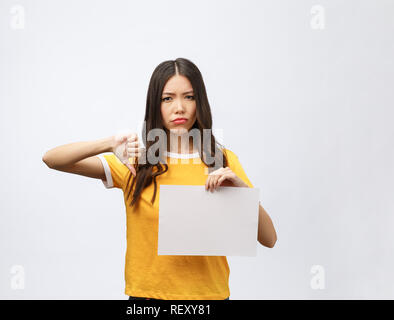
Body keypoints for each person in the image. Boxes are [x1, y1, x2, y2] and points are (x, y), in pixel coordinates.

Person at [42, 57, 277, 300]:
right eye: (168, 98)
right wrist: (109, 143)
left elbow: (269, 239)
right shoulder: (134, 162)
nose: (179, 108)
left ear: (200, 102)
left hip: (209, 299)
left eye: (189, 96)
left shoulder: (222, 161)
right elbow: (53, 159)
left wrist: (243, 193)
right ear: (155, 105)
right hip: (148, 300)